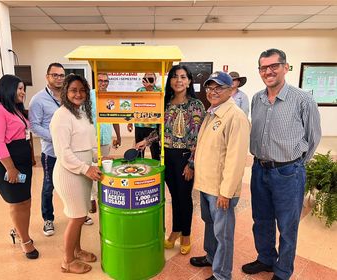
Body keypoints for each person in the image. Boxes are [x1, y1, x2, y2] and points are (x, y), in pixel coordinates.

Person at [242, 49, 321, 280]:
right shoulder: (257, 99)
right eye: (263, 68)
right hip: (259, 169)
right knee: (261, 219)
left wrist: (296, 165)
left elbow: (313, 137)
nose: (268, 71)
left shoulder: (303, 99)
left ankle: (283, 270)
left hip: (288, 172)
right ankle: (266, 259)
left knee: (287, 225)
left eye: (273, 66)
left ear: (285, 67)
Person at [136, 65, 205, 255]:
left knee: (184, 197)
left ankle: (186, 235)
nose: (179, 80)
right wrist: (146, 141)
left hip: (185, 158)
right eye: (175, 77)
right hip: (166, 157)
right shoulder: (164, 103)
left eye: (183, 77)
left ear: (189, 81)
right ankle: (175, 231)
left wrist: (191, 164)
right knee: (174, 197)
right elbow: (159, 131)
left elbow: (201, 138)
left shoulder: (196, 106)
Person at [189, 72, 250, 280]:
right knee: (209, 225)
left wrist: (226, 192)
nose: (212, 92)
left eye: (218, 88)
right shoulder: (212, 113)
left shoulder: (236, 117)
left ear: (231, 90)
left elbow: (236, 159)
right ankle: (211, 256)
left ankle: (222, 274)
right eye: (209, 88)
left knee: (222, 234)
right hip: (207, 185)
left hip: (220, 190)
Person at [50, 74, 101, 274]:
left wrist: (97, 160)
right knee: (76, 216)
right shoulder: (61, 116)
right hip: (70, 174)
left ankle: (77, 251)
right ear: (65, 92)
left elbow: (88, 142)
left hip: (83, 173)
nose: (78, 94)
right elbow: (63, 153)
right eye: (73, 90)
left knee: (81, 215)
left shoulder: (81, 112)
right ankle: (67, 261)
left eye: (82, 90)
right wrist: (85, 168)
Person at [0, 74, 38, 259]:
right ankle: (25, 241)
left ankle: (19, 231)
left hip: (21, 163)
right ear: (7, 88)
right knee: (17, 202)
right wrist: (10, 168)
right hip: (6, 164)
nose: (23, 92)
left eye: (24, 89)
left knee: (26, 200)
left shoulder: (15, 110)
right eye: (20, 88)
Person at [29, 62, 65, 236]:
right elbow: (34, 126)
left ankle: (81, 214)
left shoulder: (68, 96)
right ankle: (48, 219)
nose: (59, 78)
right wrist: (56, 137)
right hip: (51, 152)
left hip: (69, 151)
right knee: (49, 185)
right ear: (47, 76)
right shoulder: (38, 99)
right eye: (55, 75)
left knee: (75, 182)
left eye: (61, 75)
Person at [85, 72, 121, 225]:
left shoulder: (111, 97)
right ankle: (92, 198)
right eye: (100, 80)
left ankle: (102, 196)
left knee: (104, 168)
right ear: (96, 81)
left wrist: (118, 137)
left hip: (105, 139)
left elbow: (116, 118)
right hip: (90, 139)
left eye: (106, 81)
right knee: (91, 168)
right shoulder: (89, 96)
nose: (103, 83)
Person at [128, 73, 161, 160]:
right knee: (139, 150)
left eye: (151, 79)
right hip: (139, 125)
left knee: (155, 152)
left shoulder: (159, 91)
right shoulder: (139, 90)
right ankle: (140, 167)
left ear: (155, 80)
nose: (148, 81)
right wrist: (130, 122)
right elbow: (134, 106)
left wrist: (150, 87)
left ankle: (156, 168)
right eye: (146, 79)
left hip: (153, 126)